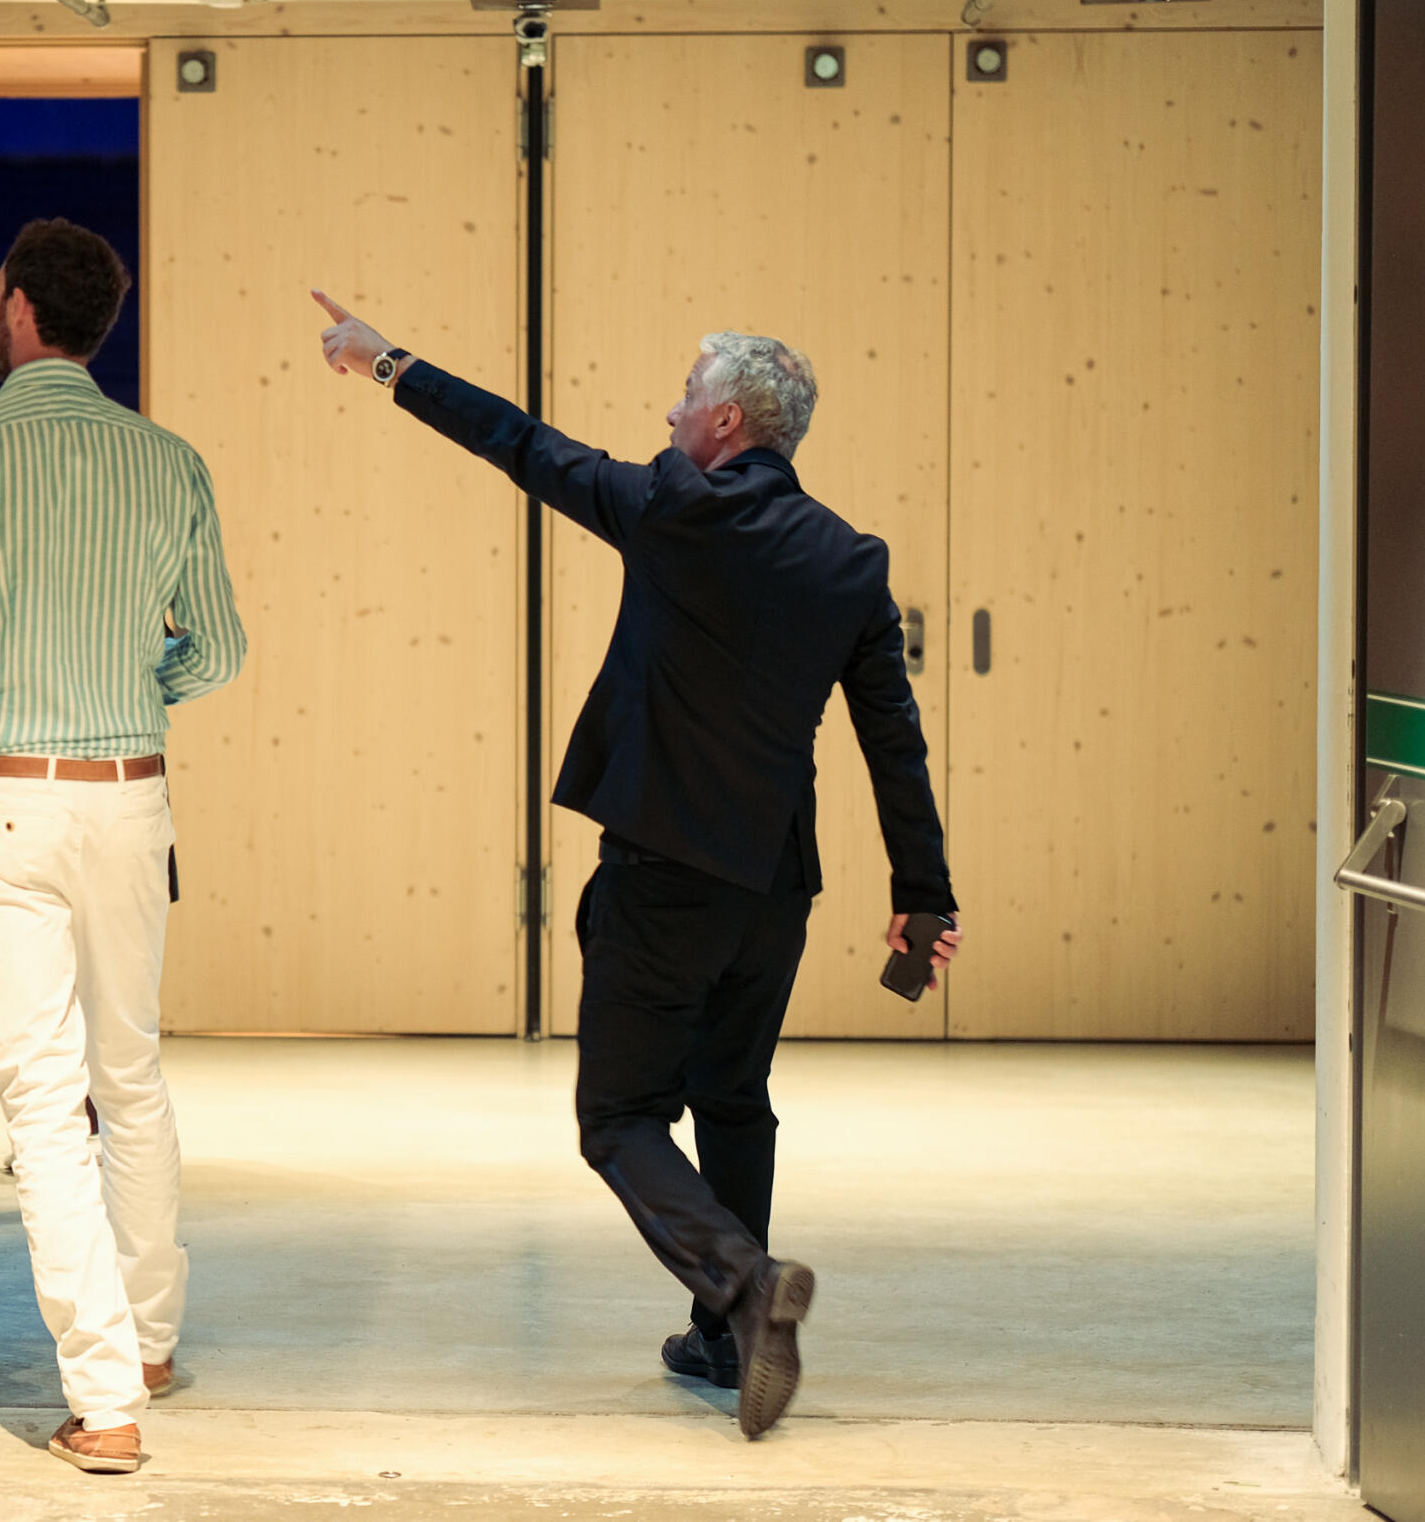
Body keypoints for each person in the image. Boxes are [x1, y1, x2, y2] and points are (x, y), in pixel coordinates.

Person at [310, 292, 962, 1442]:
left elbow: (520, 442)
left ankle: (746, 1284)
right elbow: (890, 737)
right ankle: (721, 1339)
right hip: (776, 886)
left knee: (614, 1117)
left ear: (726, 429)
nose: (667, 414)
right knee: (733, 1097)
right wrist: (924, 900)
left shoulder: (674, 508)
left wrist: (384, 362)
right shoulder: (849, 562)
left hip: (663, 872)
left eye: (684, 397)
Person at [0, 220, 245, 1476]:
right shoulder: (168, 460)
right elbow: (223, 648)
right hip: (127, 793)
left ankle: (105, 1394)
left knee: (40, 1096)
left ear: (14, 307)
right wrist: (134, 687)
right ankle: (154, 1340)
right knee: (128, 1074)